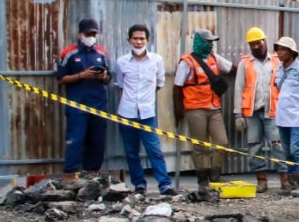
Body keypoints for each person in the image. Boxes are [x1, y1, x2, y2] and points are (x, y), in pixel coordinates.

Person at [112, 24, 175, 196]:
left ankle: (165, 185)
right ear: (129, 40)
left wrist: (145, 100)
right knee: (131, 152)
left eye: (142, 38)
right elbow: (120, 85)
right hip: (126, 113)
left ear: (147, 40)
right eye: (135, 38)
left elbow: (160, 83)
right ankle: (139, 185)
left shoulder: (156, 60)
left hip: (147, 114)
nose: (139, 42)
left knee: (154, 150)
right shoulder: (122, 62)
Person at [173, 29, 235, 191]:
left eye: (212, 42)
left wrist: (247, 70)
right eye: (208, 41)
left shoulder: (214, 57)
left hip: (214, 108)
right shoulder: (187, 62)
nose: (211, 44)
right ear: (200, 42)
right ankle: (202, 182)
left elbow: (231, 69)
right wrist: (178, 111)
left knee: (222, 142)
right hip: (195, 109)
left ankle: (215, 177)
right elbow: (177, 87)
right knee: (200, 146)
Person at [56, 17, 112, 177]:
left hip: (98, 105)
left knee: (97, 143)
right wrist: (82, 75)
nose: (91, 37)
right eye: (88, 34)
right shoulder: (69, 53)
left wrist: (103, 77)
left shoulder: (102, 53)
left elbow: (109, 79)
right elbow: (61, 79)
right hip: (77, 106)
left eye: (94, 34)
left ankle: (92, 179)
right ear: (80, 34)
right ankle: (70, 178)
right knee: (75, 142)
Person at [234, 27, 281, 193]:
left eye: (258, 43)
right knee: (254, 147)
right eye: (252, 44)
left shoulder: (276, 61)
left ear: (265, 41)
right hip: (251, 112)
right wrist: (238, 114)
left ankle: (285, 179)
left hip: (272, 110)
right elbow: (239, 88)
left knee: (278, 144)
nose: (255, 47)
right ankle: (261, 180)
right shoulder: (244, 63)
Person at [273, 36, 299, 194]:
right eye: (278, 49)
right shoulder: (279, 70)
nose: (279, 53)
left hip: (298, 117)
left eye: (283, 49)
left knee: (297, 149)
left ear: (291, 52)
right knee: (287, 151)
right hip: (283, 116)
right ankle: (292, 183)